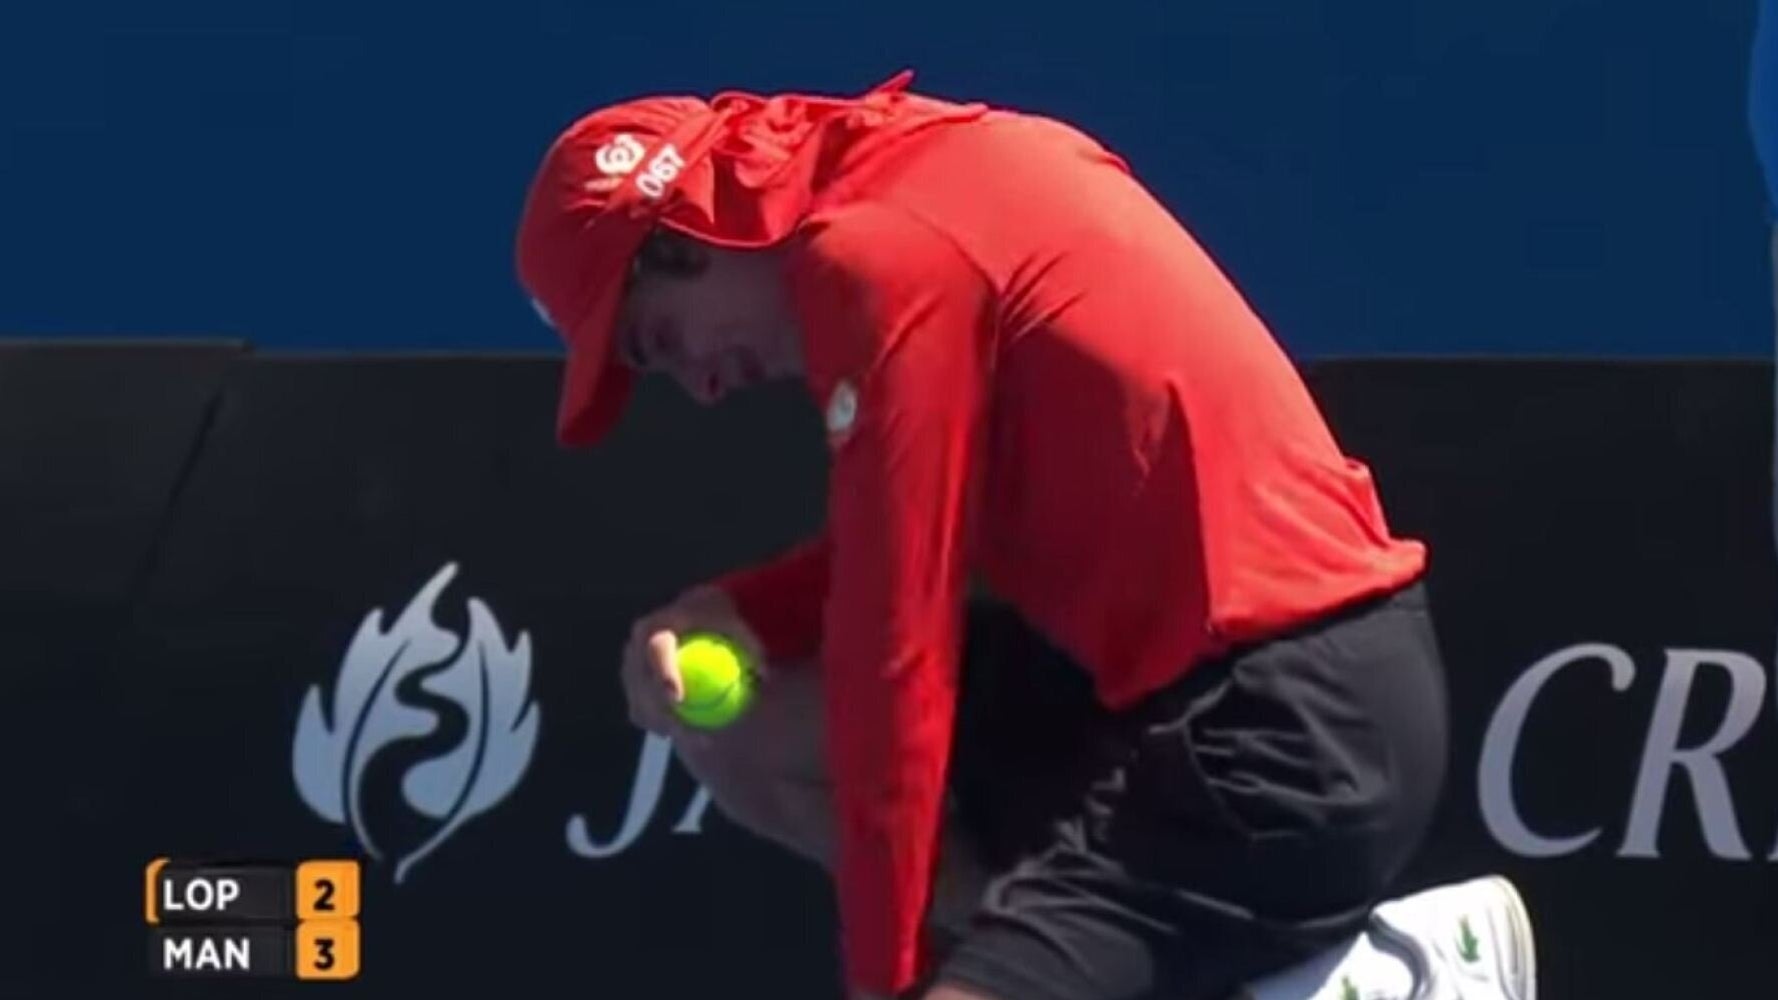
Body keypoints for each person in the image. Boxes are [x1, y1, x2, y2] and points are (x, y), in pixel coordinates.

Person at [515, 73, 1535, 1000]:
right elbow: (910, 554)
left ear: (686, 235)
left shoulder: (874, 258)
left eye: (660, 339)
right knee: (743, 728)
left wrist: (887, 982)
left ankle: (1380, 979)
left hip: (1292, 733)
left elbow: (894, 659)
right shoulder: (920, 181)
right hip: (1195, 703)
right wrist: (738, 611)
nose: (695, 384)